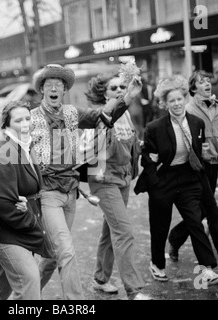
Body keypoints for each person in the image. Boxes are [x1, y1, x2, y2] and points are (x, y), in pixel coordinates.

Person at [30, 64, 141, 300]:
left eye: (58, 86)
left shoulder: (71, 113)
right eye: (49, 86)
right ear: (42, 90)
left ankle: (27, 295)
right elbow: (14, 154)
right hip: (47, 193)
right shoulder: (31, 119)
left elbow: (101, 115)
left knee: (52, 256)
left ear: (64, 91)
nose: (54, 89)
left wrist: (128, 96)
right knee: (66, 251)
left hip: (70, 193)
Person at [134, 75, 218, 285]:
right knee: (159, 227)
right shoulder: (154, 128)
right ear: (165, 104)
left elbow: (198, 152)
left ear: (185, 99)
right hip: (163, 181)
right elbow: (147, 158)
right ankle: (157, 264)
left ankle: (207, 269)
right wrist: (155, 183)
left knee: (195, 222)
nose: (176, 103)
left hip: (188, 179)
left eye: (179, 99)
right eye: (171, 101)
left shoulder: (197, 123)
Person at [167, 70, 218, 282]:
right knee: (211, 215)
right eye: (202, 82)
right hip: (194, 168)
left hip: (213, 166)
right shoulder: (188, 109)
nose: (207, 84)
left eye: (209, 81)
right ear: (193, 88)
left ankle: (175, 238)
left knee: (202, 212)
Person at [83, 71, 151, 300]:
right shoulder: (100, 115)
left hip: (121, 179)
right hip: (103, 179)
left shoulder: (125, 116)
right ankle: (134, 290)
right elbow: (103, 148)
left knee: (109, 231)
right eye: (114, 88)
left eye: (122, 87)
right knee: (124, 232)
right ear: (103, 94)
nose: (120, 91)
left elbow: (127, 145)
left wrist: (139, 146)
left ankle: (100, 278)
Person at [0, 101, 54, 300]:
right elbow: (2, 202)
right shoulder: (5, 153)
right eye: (18, 120)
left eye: (28, 118)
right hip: (6, 229)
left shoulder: (23, 146)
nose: (25, 124)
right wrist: (32, 224)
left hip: (18, 225)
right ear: (6, 125)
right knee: (29, 279)